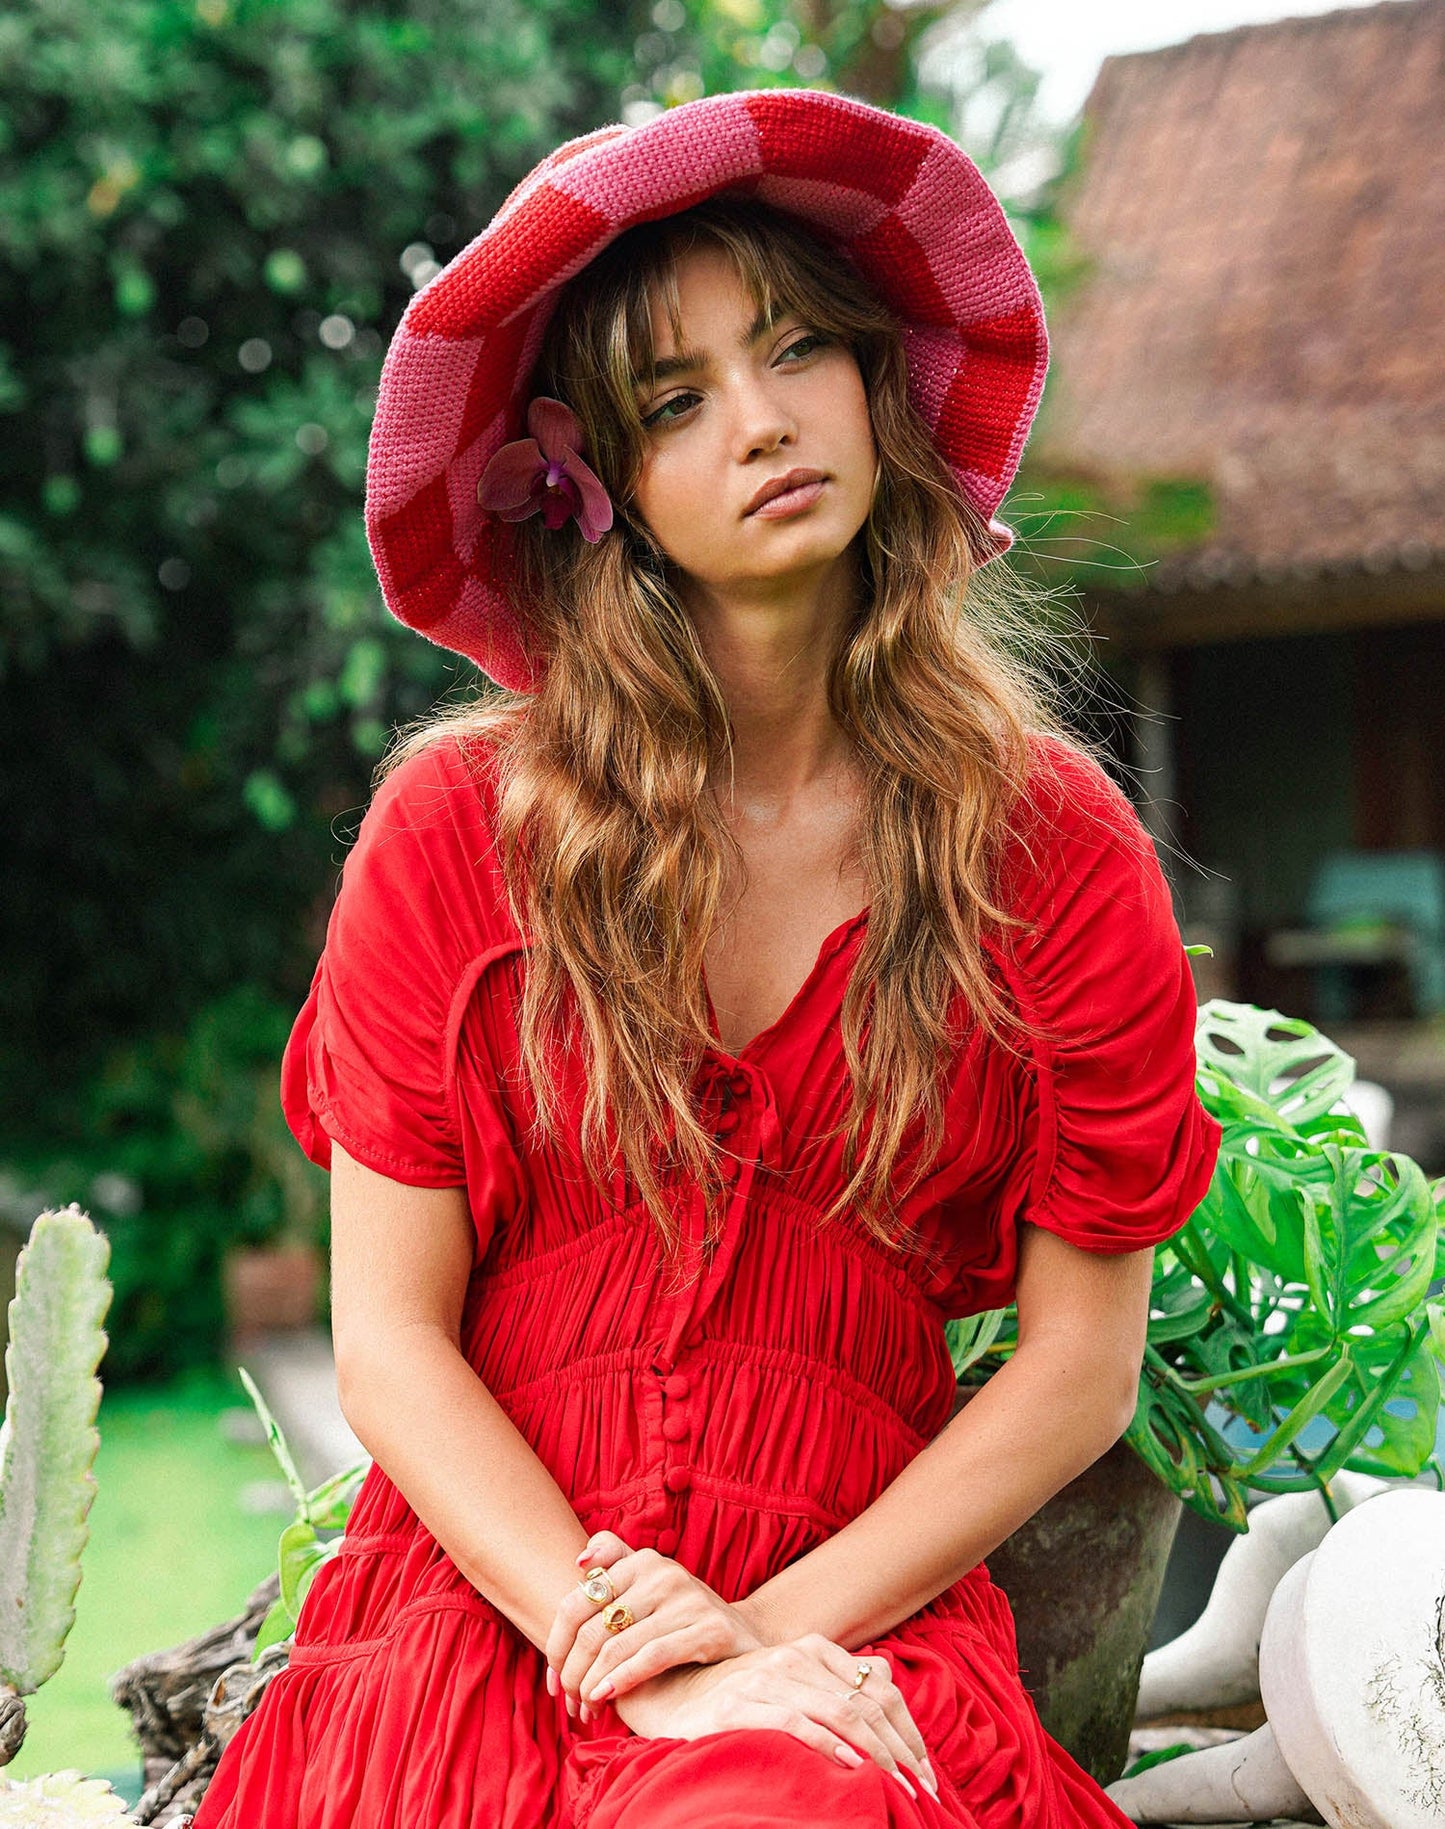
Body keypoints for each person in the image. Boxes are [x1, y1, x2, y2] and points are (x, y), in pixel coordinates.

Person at [192, 88, 1223, 1829]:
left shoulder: (1052, 848)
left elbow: (1077, 1366)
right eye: (675, 400)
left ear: (874, 384)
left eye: (796, 350)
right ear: (588, 482)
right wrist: (637, 1650)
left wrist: (758, 1638)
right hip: (493, 1614)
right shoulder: (455, 831)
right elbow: (388, 1338)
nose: (761, 423)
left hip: (850, 1618)